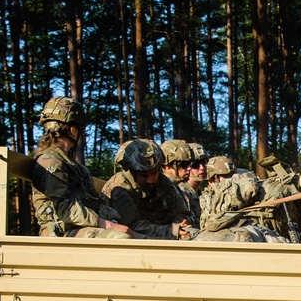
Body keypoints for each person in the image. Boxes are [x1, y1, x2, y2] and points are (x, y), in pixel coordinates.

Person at [30, 96, 132, 238]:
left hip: (80, 228)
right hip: (61, 232)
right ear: (72, 129)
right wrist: (109, 225)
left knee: (140, 237)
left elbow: (94, 202)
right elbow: (66, 210)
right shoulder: (50, 162)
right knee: (120, 239)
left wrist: (114, 219)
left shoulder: (75, 167)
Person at [102, 139, 195, 239]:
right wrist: (172, 230)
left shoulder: (163, 182)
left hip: (163, 233)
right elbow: (132, 226)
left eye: (154, 173)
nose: (150, 180)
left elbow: (182, 213)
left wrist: (181, 224)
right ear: (132, 172)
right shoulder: (120, 188)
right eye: (143, 175)